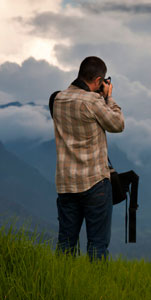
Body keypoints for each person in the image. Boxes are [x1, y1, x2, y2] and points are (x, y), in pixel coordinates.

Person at [51, 56, 124, 262]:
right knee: (97, 245)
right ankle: (97, 290)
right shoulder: (93, 101)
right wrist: (109, 98)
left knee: (65, 244)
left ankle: (60, 286)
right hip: (94, 183)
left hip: (66, 184)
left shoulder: (57, 99)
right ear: (99, 80)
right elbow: (117, 124)